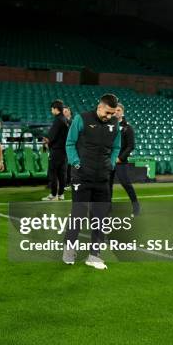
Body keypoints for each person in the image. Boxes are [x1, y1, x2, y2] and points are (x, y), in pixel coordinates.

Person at [63, 93, 120, 270]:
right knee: (78, 214)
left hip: (102, 177)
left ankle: (94, 255)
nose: (109, 116)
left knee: (100, 218)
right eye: (108, 112)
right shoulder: (82, 119)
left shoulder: (114, 124)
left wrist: (110, 163)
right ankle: (69, 250)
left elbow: (116, 146)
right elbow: (70, 143)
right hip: (82, 176)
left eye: (112, 114)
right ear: (99, 107)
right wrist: (76, 162)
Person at [109, 103, 140, 215]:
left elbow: (131, 146)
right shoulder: (108, 126)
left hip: (120, 162)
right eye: (114, 110)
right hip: (108, 161)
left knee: (126, 184)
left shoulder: (128, 127)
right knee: (107, 185)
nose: (116, 112)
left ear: (122, 112)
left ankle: (136, 206)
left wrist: (120, 158)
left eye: (118, 110)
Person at [42, 100, 69, 201]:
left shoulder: (58, 120)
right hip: (64, 152)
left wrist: (45, 141)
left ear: (55, 109)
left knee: (53, 173)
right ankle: (61, 194)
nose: (51, 110)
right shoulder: (65, 119)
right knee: (62, 174)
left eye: (52, 109)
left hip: (56, 151)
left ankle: (53, 195)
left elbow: (51, 137)